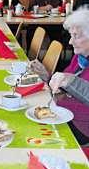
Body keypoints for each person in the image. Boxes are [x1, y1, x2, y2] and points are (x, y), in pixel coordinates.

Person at [29, 8, 89, 144]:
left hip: (81, 126)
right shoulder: (80, 57)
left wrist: (71, 81)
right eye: (71, 36)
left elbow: (77, 87)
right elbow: (65, 90)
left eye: (76, 36)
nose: (70, 42)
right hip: (64, 112)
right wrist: (48, 77)